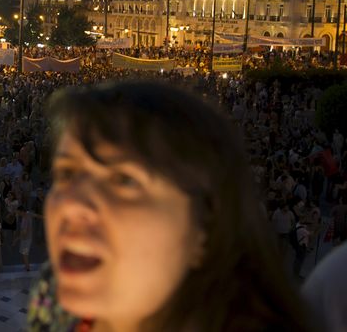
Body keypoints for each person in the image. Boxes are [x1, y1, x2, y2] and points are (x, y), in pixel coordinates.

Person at [28, 81, 314, 332]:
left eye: (125, 180)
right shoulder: (53, 297)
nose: (71, 204)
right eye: (66, 174)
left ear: (205, 227)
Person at [14, 205, 33, 271]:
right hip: (25, 239)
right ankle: (26, 266)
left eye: (18, 212)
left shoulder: (26, 218)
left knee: (24, 253)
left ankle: (27, 267)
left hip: (26, 239)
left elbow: (24, 232)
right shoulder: (26, 216)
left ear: (21, 211)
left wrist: (17, 239)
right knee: (24, 253)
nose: (18, 214)